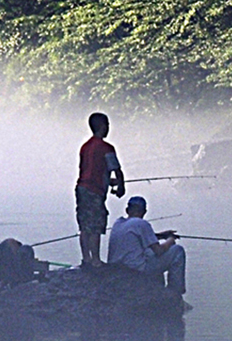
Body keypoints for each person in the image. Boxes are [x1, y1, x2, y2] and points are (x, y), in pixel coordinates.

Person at [105, 196, 185, 294]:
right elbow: (159, 251)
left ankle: (157, 289)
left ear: (127, 210)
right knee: (177, 250)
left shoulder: (118, 222)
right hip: (135, 270)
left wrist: (161, 235)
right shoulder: (142, 223)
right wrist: (170, 240)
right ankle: (175, 292)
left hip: (116, 268)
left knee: (149, 251)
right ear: (144, 212)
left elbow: (137, 237)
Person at [76, 112, 125, 267]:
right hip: (95, 191)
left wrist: (107, 181)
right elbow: (117, 170)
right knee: (96, 226)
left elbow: (90, 170)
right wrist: (120, 187)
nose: (109, 128)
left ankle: (86, 259)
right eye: (108, 125)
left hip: (81, 188)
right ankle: (96, 260)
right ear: (103, 127)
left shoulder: (85, 147)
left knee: (85, 226)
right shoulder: (106, 148)